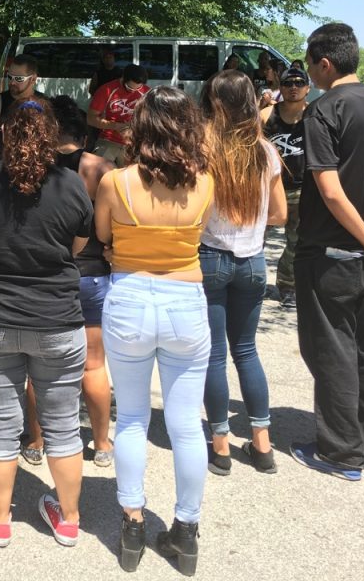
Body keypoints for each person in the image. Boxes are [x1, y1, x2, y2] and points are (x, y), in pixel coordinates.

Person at [0, 99, 92, 549]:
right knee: (64, 427)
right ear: (51, 135)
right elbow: (77, 246)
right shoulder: (71, 184)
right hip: (56, 319)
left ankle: (0, 517)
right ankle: (68, 520)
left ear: (5, 134)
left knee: (0, 425)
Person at [94, 86, 214, 575]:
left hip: (129, 298)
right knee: (186, 424)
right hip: (186, 299)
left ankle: (132, 521)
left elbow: (103, 237)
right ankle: (186, 530)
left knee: (133, 419)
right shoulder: (206, 182)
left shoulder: (115, 182)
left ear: (140, 127)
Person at [290, 23, 364, 481]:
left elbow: (330, 189)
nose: (306, 71)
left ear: (325, 63)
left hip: (330, 251)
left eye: (308, 62)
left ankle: (341, 453)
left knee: (331, 349)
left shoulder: (322, 112)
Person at [199, 71, 286, 478]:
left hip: (211, 257)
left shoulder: (203, 149)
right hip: (253, 262)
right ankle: (262, 444)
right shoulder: (267, 152)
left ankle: (220, 446)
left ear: (216, 104)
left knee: (215, 354)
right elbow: (281, 214)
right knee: (246, 352)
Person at [51, 96, 114, 466]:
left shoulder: (35, 167)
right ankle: (102, 444)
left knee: (40, 364)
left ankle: (38, 440)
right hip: (92, 273)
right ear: (84, 135)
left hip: (48, 275)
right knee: (93, 363)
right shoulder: (103, 168)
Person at [261, 64, 310, 309]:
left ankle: (287, 286)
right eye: (288, 83)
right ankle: (253, 283)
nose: (293, 87)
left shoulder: (314, 117)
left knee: (297, 242)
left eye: (298, 83)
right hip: (267, 189)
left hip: (301, 189)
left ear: (307, 88)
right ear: (280, 87)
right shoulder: (266, 116)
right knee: (256, 241)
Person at [87, 63, 150, 166]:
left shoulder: (146, 92)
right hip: (108, 139)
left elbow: (150, 119)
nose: (133, 91)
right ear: (123, 78)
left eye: (137, 88)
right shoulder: (106, 90)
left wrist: (134, 128)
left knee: (135, 176)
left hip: (133, 142)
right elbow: (91, 118)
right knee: (97, 170)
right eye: (129, 88)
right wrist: (115, 126)